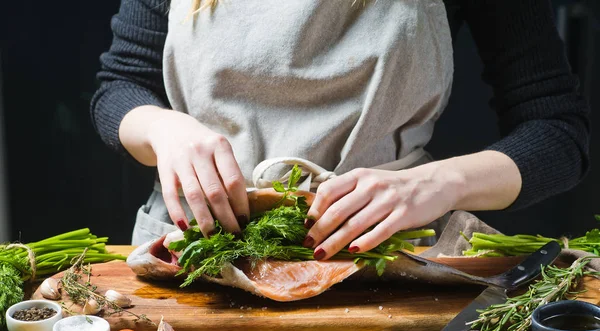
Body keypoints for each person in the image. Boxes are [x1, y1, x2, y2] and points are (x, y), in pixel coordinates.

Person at [91, 0, 589, 260]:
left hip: (384, 255)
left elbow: (556, 131)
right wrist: (165, 129)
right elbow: (120, 85)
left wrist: (438, 184)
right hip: (198, 247)